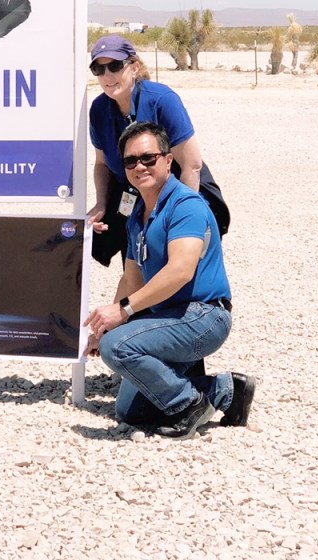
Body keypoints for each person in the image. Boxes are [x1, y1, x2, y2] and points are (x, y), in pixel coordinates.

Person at [84, 122, 254, 439]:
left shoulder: (186, 206)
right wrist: (107, 321)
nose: (139, 166)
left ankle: (188, 405)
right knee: (130, 411)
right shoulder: (137, 214)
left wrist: (122, 315)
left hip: (203, 317)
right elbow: (132, 275)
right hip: (168, 319)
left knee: (117, 349)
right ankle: (225, 390)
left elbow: (181, 271)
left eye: (148, 158)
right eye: (130, 161)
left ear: (167, 160)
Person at [86, 34, 229, 269]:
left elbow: (192, 165)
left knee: (177, 266)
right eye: (98, 69)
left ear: (134, 67)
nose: (107, 76)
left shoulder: (162, 100)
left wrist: (178, 216)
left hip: (182, 190)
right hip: (134, 196)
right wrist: (101, 203)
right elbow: (102, 164)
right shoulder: (99, 109)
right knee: (135, 269)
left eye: (114, 66)